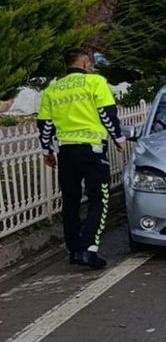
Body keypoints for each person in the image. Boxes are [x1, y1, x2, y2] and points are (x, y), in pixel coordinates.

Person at [37, 49, 126, 269]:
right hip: (92, 150)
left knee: (70, 200)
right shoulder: (95, 82)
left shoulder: (52, 89)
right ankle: (89, 249)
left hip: (66, 152)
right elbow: (107, 113)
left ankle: (74, 250)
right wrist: (118, 138)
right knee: (99, 198)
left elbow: (45, 126)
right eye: (92, 64)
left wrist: (47, 152)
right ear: (85, 63)